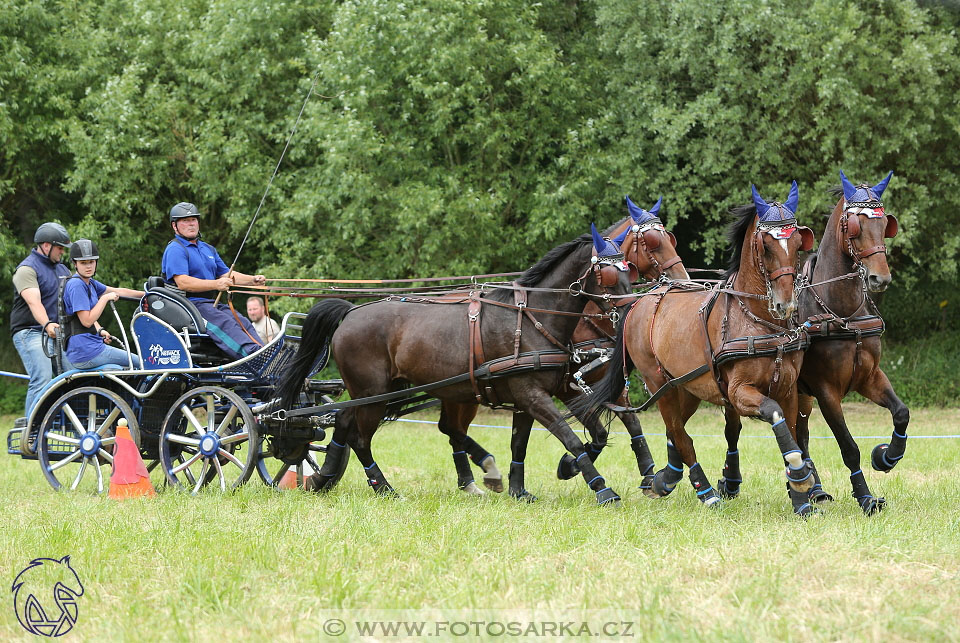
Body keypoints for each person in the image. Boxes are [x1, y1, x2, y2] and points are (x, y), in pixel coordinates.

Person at [161, 202, 266, 360]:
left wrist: (252, 280)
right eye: (185, 221)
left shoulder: (207, 249)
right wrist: (216, 284)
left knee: (242, 321)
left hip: (210, 304)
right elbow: (183, 282)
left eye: (194, 220)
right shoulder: (175, 249)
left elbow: (226, 275)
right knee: (225, 323)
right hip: (190, 305)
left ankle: (264, 352)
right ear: (174, 226)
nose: (191, 224)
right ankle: (254, 358)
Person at [10, 223, 74, 416]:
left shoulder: (63, 270)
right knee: (43, 376)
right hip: (30, 332)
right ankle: (31, 431)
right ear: (46, 246)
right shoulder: (26, 269)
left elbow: (77, 301)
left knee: (76, 375)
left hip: (55, 333)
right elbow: (35, 303)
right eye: (60, 248)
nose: (62, 252)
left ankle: (78, 426)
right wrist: (47, 325)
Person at [62, 239, 144, 370]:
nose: (88, 266)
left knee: (131, 366)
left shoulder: (90, 283)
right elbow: (87, 321)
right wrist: (104, 299)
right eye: (83, 263)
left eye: (91, 262)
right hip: (86, 352)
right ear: (74, 263)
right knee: (141, 362)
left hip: (90, 347)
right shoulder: (77, 285)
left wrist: (146, 294)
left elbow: (118, 291)